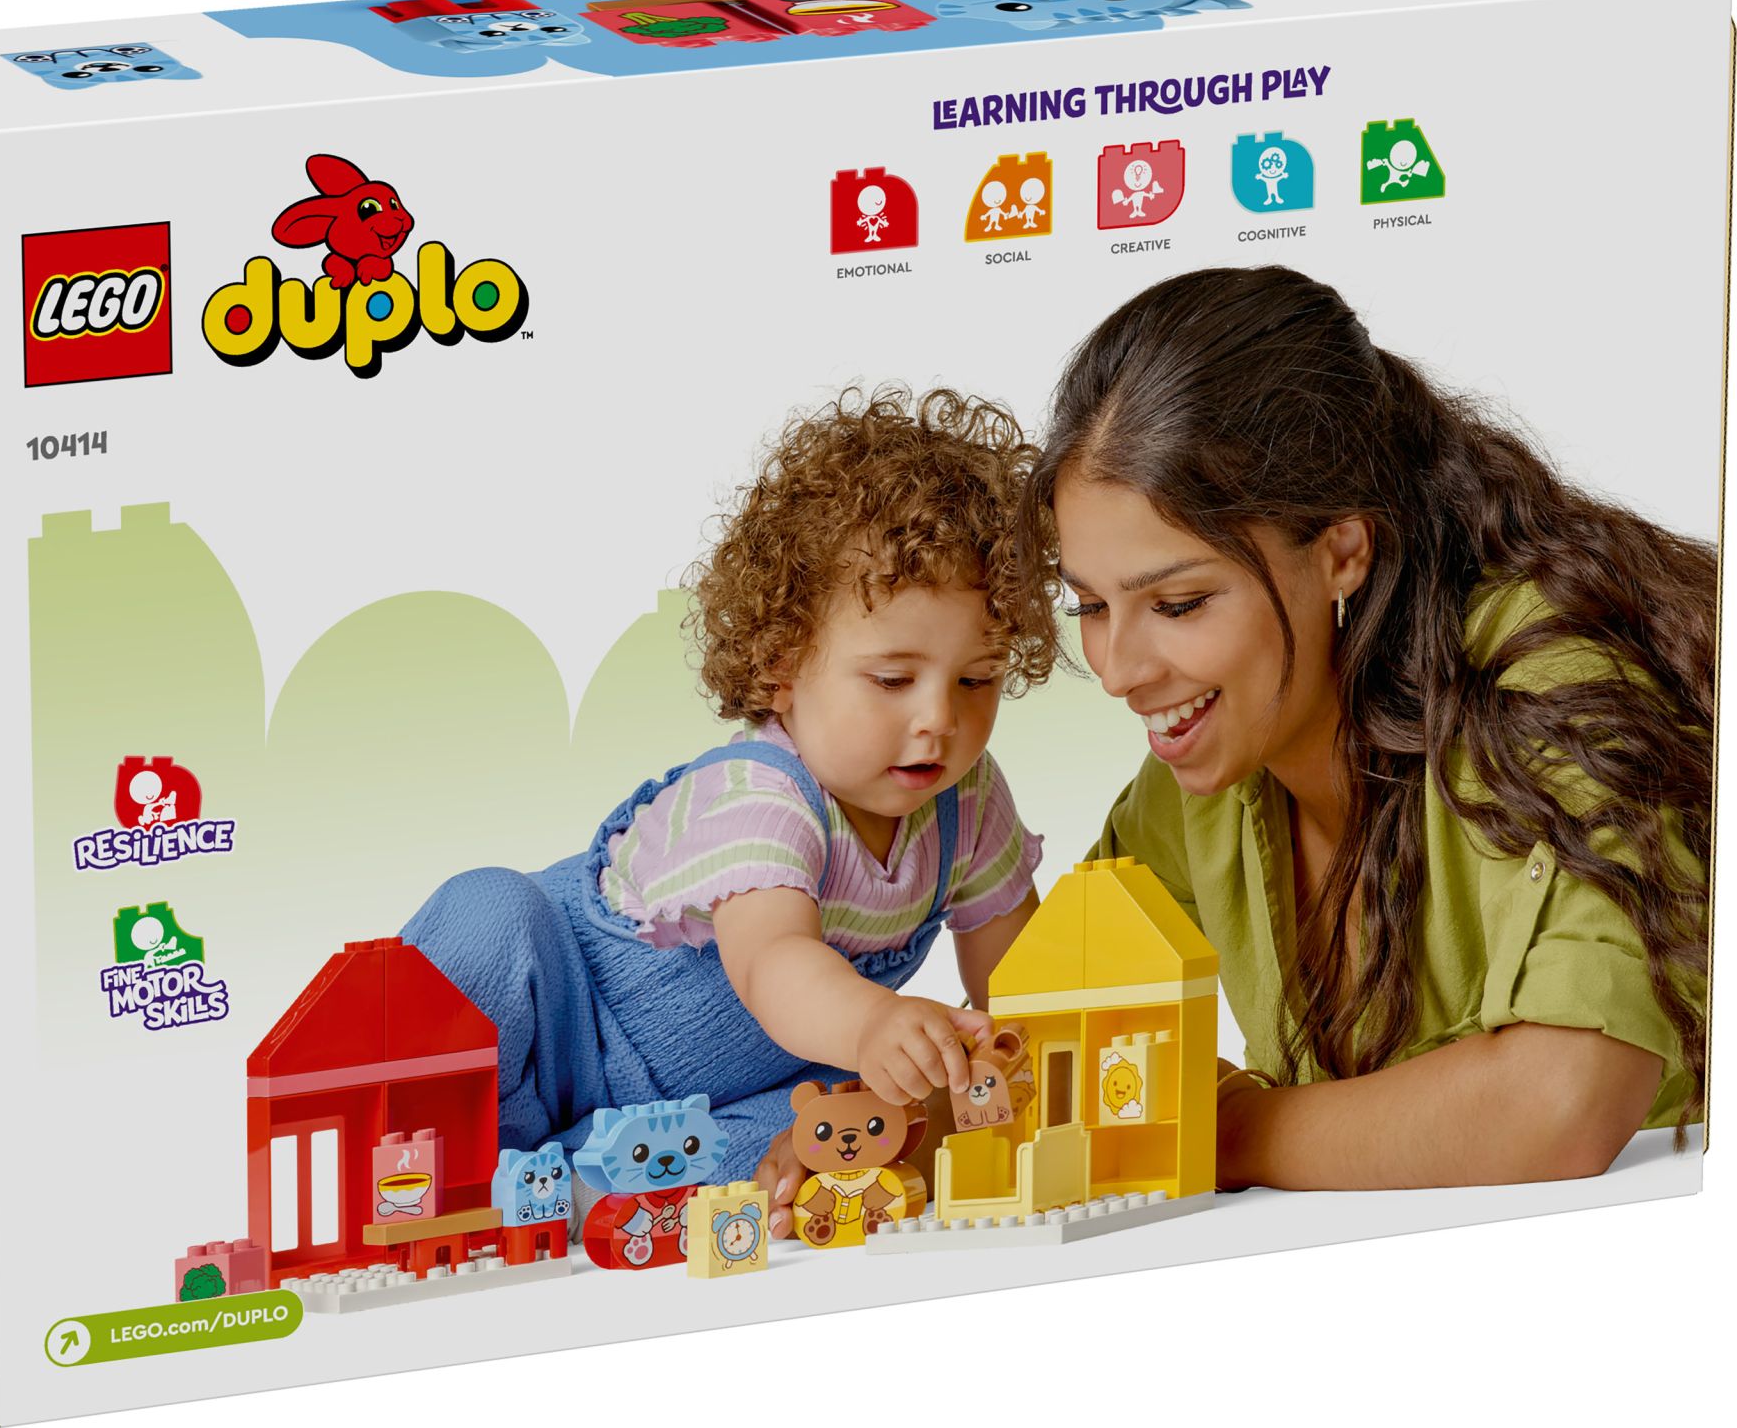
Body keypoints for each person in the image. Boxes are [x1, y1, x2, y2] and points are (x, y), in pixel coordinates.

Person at [1028, 265, 1710, 1190]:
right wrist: (896, 1102)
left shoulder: (1541, 677)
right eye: (1091, 605)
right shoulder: (1204, 777)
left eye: (1179, 603)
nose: (1117, 670)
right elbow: (1047, 1032)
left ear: (1342, 551)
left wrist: (1228, 1131)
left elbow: (1561, 1101)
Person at [403, 387, 1055, 1192]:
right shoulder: (762, 796)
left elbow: (1021, 982)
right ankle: (422, 1145)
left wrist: (1008, 1054)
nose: (940, 719)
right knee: (489, 915)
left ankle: (571, 1189)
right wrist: (875, 1020)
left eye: (977, 678)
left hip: (699, 1105)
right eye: (892, 679)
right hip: (558, 1018)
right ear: (783, 666)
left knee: (844, 1120)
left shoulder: (970, 804)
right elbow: (774, 962)